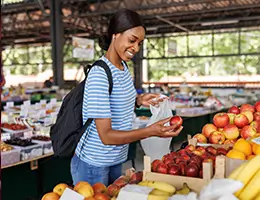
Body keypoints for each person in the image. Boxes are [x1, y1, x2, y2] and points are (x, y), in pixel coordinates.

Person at [70, 8, 183, 186]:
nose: (136, 48)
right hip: (94, 163)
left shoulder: (123, 68)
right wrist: (150, 131)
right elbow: (106, 136)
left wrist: (138, 101)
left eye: (140, 43)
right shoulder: (100, 74)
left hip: (115, 158)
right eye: (132, 40)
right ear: (115, 35)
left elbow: (115, 102)